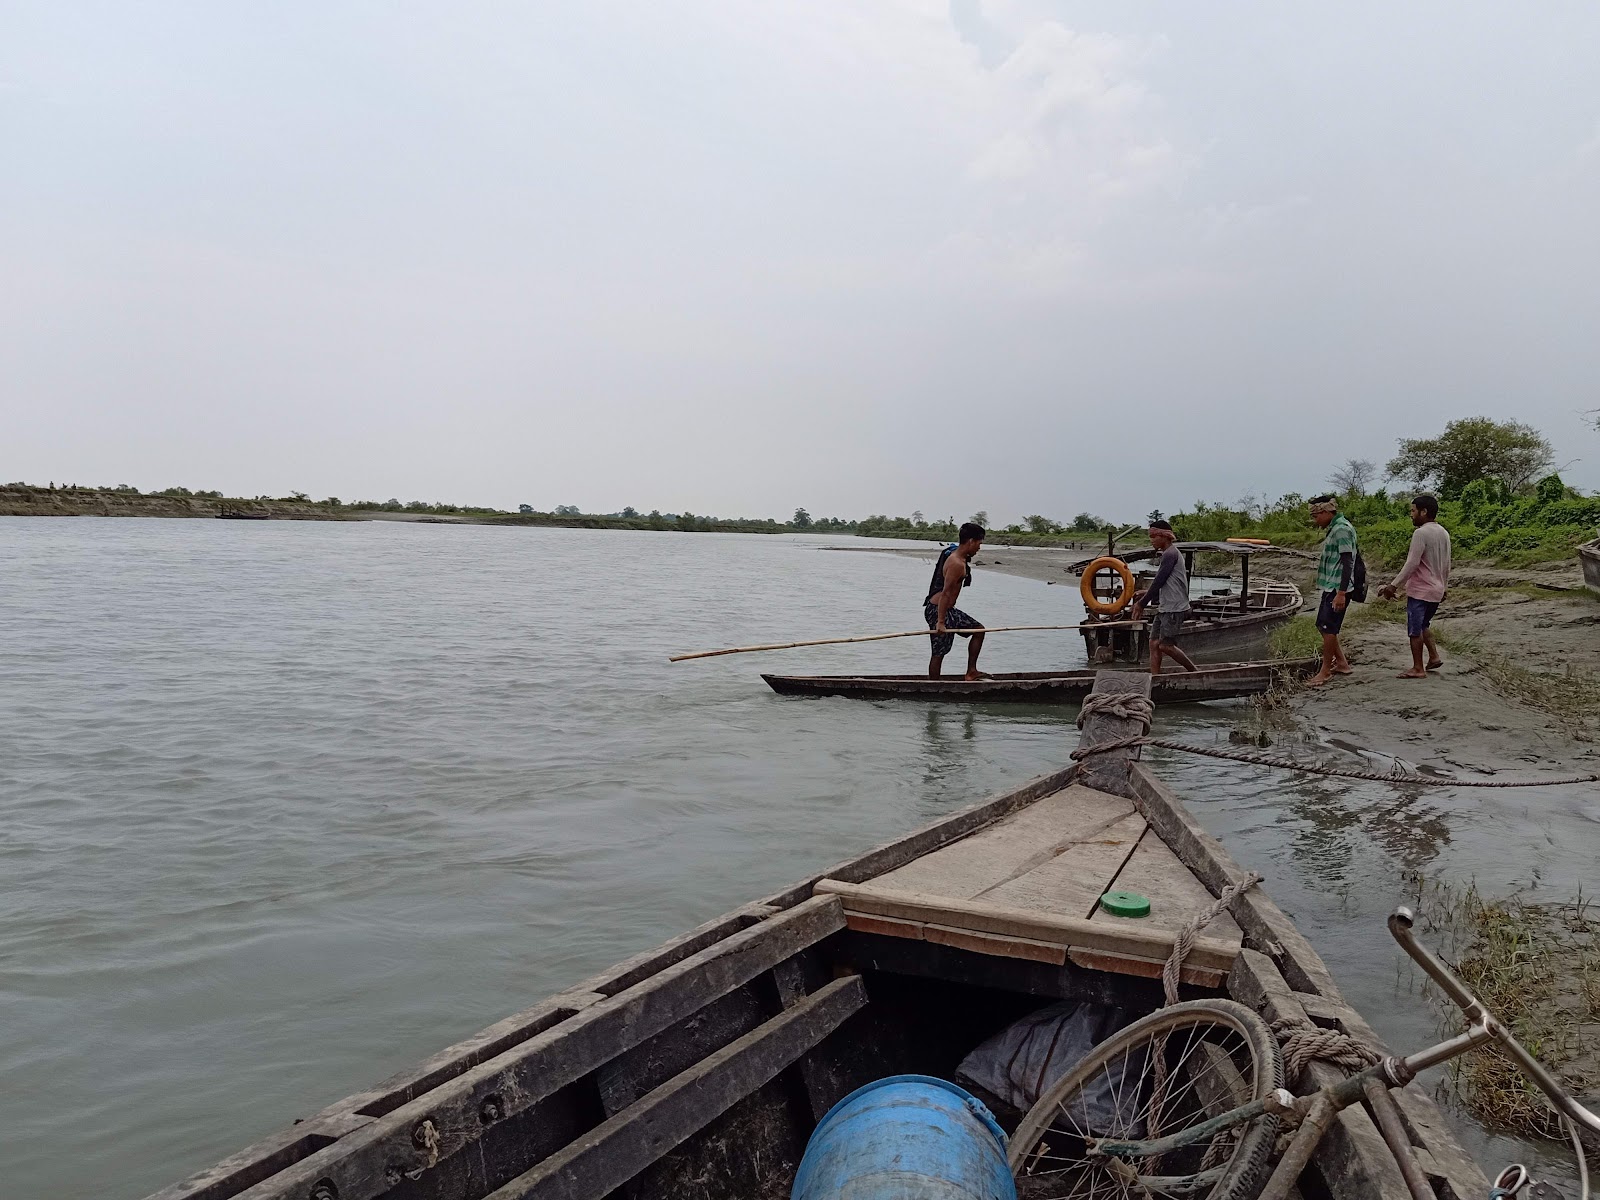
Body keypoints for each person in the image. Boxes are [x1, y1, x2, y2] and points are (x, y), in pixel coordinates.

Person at [1379, 494, 1451, 679]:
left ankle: (1418, 668)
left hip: (1421, 591)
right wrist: (1444, 586)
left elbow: (1412, 564)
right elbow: (1447, 564)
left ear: (1424, 511)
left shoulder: (1420, 533)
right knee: (1424, 624)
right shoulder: (1444, 532)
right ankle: (1433, 657)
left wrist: (1393, 586)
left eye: (1413, 510)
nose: (1411, 514)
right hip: (1436, 589)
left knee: (1414, 630)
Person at [1130, 520, 1198, 675]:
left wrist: (1141, 603)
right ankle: (1155, 679)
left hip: (1175, 608)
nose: (1151, 540)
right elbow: (1164, 581)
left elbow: (1160, 581)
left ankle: (1195, 672)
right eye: (1150, 536)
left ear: (1165, 536)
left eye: (1154, 536)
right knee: (1153, 643)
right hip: (1166, 607)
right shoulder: (1167, 554)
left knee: (1165, 646)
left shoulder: (1171, 554)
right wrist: (1145, 593)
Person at [1306, 495, 1358, 686]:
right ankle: (1342, 663)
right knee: (1322, 625)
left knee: (1328, 628)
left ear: (1326, 512)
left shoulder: (1342, 530)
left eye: (1316, 516)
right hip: (1331, 585)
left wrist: (1341, 593)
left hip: (1338, 587)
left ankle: (1325, 671)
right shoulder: (1335, 529)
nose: (1315, 520)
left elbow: (1347, 562)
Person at [925, 522, 986, 679]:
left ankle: (971, 671)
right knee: (938, 653)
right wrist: (940, 621)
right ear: (971, 541)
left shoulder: (960, 558)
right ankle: (933, 688)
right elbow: (945, 593)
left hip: (948, 610)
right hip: (938, 609)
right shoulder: (956, 563)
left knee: (979, 630)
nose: (979, 548)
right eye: (979, 543)